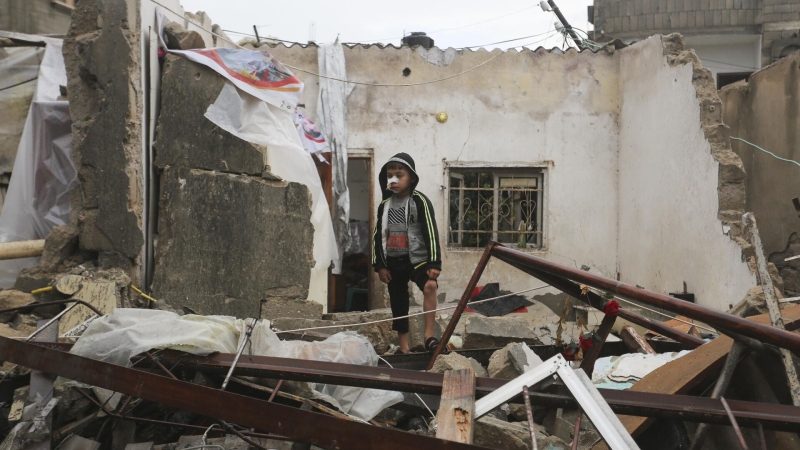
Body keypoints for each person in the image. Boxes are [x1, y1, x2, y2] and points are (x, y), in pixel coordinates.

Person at [372, 153, 442, 354]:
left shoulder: (420, 201)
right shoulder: (384, 205)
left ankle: (429, 336)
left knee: (430, 286)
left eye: (399, 175)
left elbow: (430, 231)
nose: (393, 180)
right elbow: (378, 235)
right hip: (394, 261)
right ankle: (404, 348)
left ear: (411, 177)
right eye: (389, 176)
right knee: (398, 303)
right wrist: (380, 265)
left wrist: (434, 263)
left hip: (417, 259)